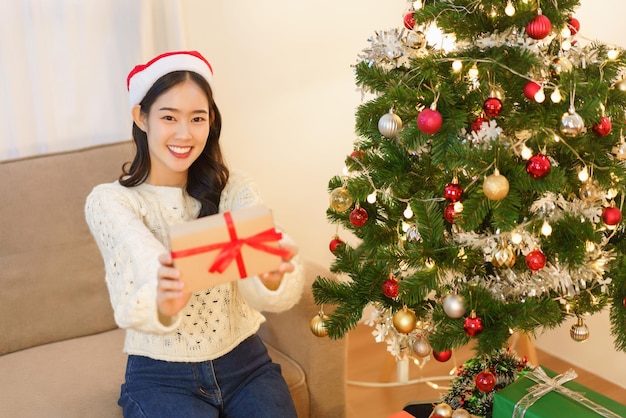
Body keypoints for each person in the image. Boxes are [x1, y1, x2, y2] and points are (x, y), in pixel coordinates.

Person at [85, 50, 304, 418]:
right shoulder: (111, 202)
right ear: (141, 117)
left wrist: (270, 275)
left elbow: (267, 288)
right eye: (169, 117)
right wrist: (161, 296)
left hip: (246, 363)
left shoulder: (236, 189)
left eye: (197, 118)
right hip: (160, 375)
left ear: (211, 121)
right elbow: (139, 264)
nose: (184, 134)